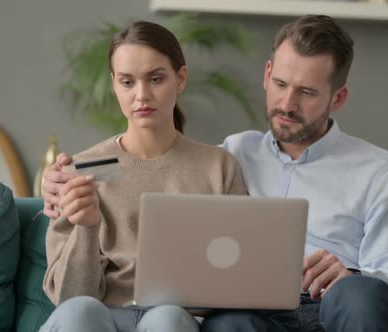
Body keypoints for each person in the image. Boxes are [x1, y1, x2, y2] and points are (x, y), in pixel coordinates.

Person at [43, 15, 388, 332]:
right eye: (280, 85)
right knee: (228, 323)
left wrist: (352, 276)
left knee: (360, 294)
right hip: (255, 312)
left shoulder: (380, 171)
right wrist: (55, 184)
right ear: (267, 74)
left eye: (306, 92)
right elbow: (152, 167)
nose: (286, 104)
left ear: (337, 98)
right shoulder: (237, 152)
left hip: (334, 303)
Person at [39, 20, 247, 332]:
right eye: (127, 82)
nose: (142, 95)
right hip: (97, 318)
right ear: (114, 84)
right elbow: (69, 299)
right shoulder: (80, 171)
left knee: (168, 317)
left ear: (181, 78)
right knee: (80, 311)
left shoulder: (218, 167)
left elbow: (238, 276)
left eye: (156, 79)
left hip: (175, 318)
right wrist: (87, 228)